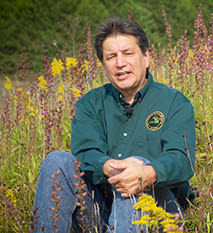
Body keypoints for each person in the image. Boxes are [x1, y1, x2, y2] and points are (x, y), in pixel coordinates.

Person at [31, 17, 196, 232]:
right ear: (104, 66)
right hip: (101, 208)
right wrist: (106, 166)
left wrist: (146, 173)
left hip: (159, 212)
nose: (120, 63)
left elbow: (181, 160)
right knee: (57, 161)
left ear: (146, 57)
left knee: (137, 165)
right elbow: (85, 153)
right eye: (111, 57)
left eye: (128, 54)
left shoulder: (174, 101)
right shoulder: (89, 104)